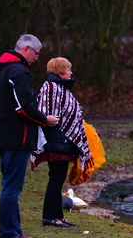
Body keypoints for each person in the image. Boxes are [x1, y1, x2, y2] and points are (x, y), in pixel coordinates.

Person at [0, 34, 59, 238]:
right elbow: (24, 107)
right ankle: (9, 234)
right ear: (26, 49)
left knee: (10, 184)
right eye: (36, 54)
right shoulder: (17, 71)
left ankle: (15, 231)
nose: (36, 59)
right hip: (16, 136)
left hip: (1, 134)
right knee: (12, 187)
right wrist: (45, 119)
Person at [31, 57, 92, 228]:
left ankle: (57, 215)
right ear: (60, 72)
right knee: (56, 179)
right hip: (56, 142)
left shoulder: (61, 88)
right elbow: (47, 115)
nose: (71, 72)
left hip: (63, 141)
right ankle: (50, 217)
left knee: (58, 179)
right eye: (68, 69)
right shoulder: (50, 88)